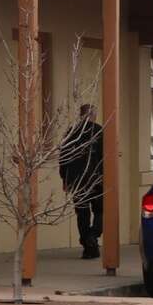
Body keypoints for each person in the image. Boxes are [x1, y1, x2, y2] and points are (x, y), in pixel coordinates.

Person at [59, 102, 104, 260]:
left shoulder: (71, 133)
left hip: (76, 180)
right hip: (96, 179)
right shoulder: (99, 131)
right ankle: (93, 236)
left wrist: (65, 178)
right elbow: (105, 157)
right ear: (93, 115)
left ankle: (87, 245)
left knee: (82, 213)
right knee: (100, 210)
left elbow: (63, 158)